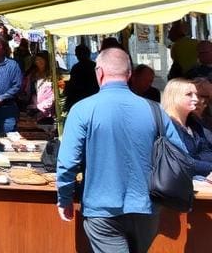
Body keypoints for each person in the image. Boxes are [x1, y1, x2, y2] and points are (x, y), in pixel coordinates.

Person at [57, 48, 189, 253]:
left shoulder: (82, 109)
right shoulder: (155, 110)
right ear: (129, 75)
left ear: (98, 72)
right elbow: (180, 155)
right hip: (146, 207)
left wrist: (64, 198)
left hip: (102, 209)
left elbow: (67, 163)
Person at [162, 77, 212, 178]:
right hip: (177, 185)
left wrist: (194, 159)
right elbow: (182, 162)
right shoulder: (166, 125)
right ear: (174, 97)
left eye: (195, 94)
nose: (196, 99)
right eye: (189, 95)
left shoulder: (194, 123)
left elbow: (207, 151)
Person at [21, 50, 55, 120]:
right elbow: (29, 93)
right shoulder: (32, 74)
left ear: (47, 61)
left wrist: (40, 106)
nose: (38, 62)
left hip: (48, 113)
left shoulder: (53, 75)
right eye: (37, 60)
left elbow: (54, 96)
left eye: (41, 60)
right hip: (34, 111)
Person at [64, 43, 99, 111]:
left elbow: (72, 84)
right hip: (93, 98)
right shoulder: (94, 66)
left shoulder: (76, 68)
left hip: (80, 100)